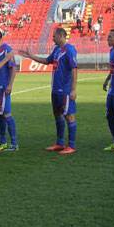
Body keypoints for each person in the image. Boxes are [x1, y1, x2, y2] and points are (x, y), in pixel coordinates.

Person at [20, 27, 78, 155]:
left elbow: (74, 69)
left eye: (54, 36)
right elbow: (47, 61)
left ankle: (72, 145)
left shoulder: (69, 50)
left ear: (61, 36)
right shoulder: (57, 50)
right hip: (55, 90)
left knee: (69, 116)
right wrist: (31, 56)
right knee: (58, 115)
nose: (52, 38)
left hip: (65, 90)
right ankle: (60, 143)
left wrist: (73, 90)